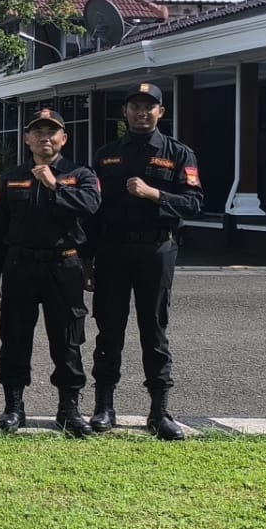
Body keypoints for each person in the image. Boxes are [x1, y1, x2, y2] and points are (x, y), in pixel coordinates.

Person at [84, 83, 204, 440]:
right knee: (109, 329)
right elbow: (93, 213)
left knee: (154, 330)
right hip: (112, 251)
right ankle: (104, 407)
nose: (141, 112)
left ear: (160, 112)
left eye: (149, 107)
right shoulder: (106, 155)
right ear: (125, 112)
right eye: (135, 106)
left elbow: (194, 203)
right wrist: (87, 260)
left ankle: (159, 411)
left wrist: (154, 194)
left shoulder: (178, 154)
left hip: (156, 250)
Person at [0, 109, 102, 436]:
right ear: (27, 139)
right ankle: (13, 408)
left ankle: (69, 410)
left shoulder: (80, 174)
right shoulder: (13, 176)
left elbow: (91, 206)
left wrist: (54, 186)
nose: (45, 138)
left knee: (67, 340)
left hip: (63, 265)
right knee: (14, 337)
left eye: (52, 132)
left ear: (64, 138)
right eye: (38, 132)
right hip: (20, 266)